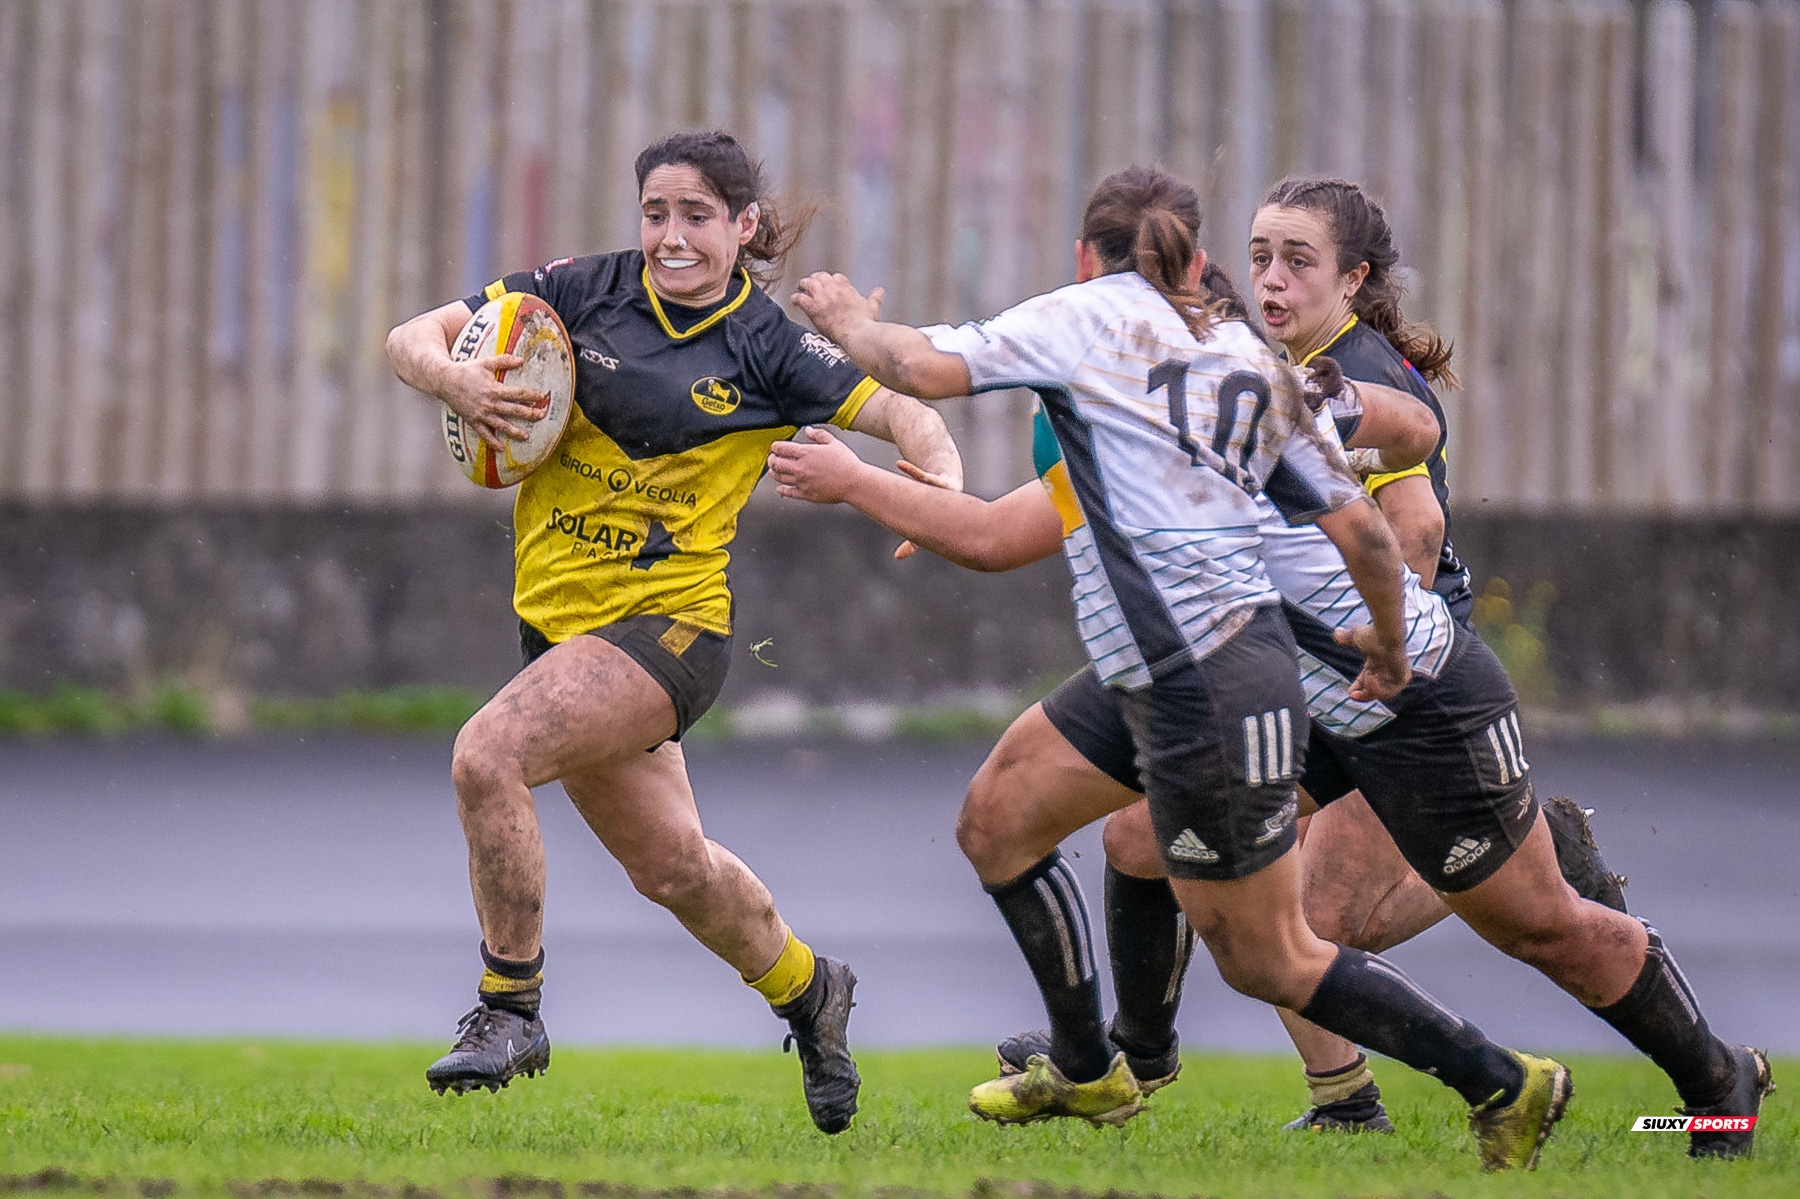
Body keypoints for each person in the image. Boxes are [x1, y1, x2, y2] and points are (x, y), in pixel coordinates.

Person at [775, 175, 1772, 1162]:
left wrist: (1385, 625)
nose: (1273, 278)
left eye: (1297, 259)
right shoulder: (1149, 394)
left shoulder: (1264, 378)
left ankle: (1713, 1084)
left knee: (1506, 928)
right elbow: (1000, 532)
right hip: (1242, 671)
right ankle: (1119, 1060)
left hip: (1399, 694)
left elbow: (1412, 485)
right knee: (1079, 827)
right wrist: (860, 477)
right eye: (1261, 258)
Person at [383, 129, 962, 1135]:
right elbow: (410, 336)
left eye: (696, 215)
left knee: (487, 754)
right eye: (656, 213)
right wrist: (456, 381)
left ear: (742, 225)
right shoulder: (580, 291)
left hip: (672, 631)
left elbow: (909, 418)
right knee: (674, 868)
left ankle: (510, 1007)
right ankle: (812, 990)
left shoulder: (769, 345)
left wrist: (938, 483)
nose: (672, 236)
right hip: (559, 634)